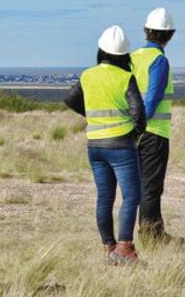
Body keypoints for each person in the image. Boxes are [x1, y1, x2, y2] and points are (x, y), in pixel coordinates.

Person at [65, 25, 147, 264]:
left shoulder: (87, 75)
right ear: (124, 55)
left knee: (105, 197)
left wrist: (92, 116)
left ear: (100, 50)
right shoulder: (125, 77)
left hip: (95, 145)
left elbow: (70, 99)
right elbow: (138, 112)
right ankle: (124, 248)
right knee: (131, 196)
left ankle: (108, 248)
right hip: (122, 145)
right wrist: (136, 133)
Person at [130, 7, 177, 242]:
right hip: (154, 133)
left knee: (141, 185)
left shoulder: (132, 57)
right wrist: (141, 125)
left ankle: (154, 231)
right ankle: (151, 237)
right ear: (171, 34)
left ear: (146, 31)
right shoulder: (159, 61)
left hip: (132, 132)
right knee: (151, 186)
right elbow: (152, 98)